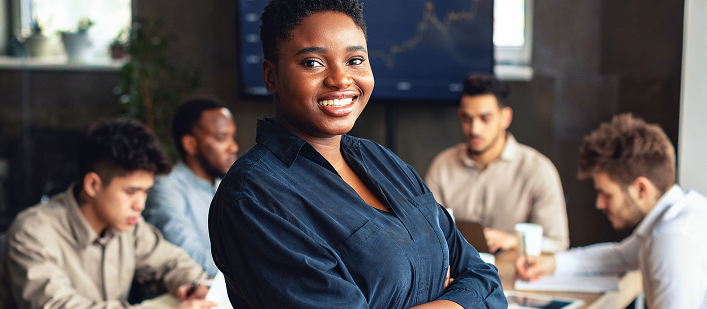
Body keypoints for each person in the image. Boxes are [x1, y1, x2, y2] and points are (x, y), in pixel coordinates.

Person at [208, 1, 507, 308]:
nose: (341, 79)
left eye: (354, 60)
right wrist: (452, 298)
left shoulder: (386, 163)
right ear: (271, 76)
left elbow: (485, 281)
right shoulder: (254, 196)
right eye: (313, 63)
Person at [516, 114, 707, 309]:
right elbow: (618, 258)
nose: (599, 204)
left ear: (641, 189)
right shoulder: (681, 212)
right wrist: (552, 264)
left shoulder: (673, 238)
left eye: (606, 194)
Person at [0, 118, 215, 309]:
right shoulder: (33, 233)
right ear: (92, 185)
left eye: (145, 191)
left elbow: (172, 262)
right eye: (131, 191)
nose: (140, 204)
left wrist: (194, 285)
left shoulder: (129, 226)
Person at [424, 74, 569, 253]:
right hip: (458, 273)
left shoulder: (538, 170)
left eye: (485, 119)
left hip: (514, 276)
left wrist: (514, 240)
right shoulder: (442, 166)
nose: (474, 129)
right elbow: (427, 233)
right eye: (467, 119)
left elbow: (557, 244)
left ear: (506, 118)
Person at [144, 95, 238, 277]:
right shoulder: (166, 188)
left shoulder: (227, 184)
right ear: (190, 144)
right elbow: (189, 259)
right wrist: (252, 263)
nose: (233, 147)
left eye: (232, 136)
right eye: (221, 138)